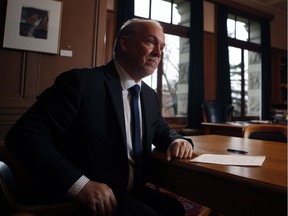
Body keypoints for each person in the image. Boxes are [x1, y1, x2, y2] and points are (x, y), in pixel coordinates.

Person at [5, 18, 194, 216]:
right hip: (87, 199)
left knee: (175, 209)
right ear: (125, 44)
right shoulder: (81, 83)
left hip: (132, 191)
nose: (158, 52)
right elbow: (24, 136)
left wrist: (177, 139)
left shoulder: (148, 95)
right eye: (150, 42)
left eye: (162, 47)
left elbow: (161, 129)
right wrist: (81, 185)